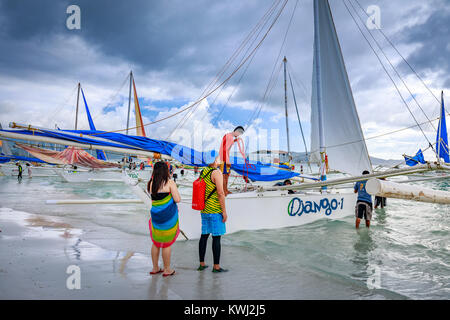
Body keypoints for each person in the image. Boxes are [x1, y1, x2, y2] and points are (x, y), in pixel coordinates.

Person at [147, 161, 181, 277]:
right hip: (168, 217)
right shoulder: (170, 183)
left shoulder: (151, 184)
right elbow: (177, 199)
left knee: (156, 242)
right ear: (165, 171)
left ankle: (155, 267)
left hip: (156, 216)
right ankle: (167, 269)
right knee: (166, 243)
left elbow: (154, 201)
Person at [198, 158, 228, 273]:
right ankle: (216, 267)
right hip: (215, 210)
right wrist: (224, 211)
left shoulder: (203, 171)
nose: (221, 159)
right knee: (216, 237)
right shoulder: (216, 173)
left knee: (204, 236)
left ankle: (202, 264)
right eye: (219, 158)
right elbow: (220, 193)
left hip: (204, 209)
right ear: (215, 160)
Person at [218, 126, 246, 196]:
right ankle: (224, 191)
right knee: (224, 175)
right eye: (239, 133)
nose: (239, 135)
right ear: (237, 131)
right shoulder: (230, 137)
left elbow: (225, 147)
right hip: (223, 159)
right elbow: (225, 150)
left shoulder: (228, 135)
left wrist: (234, 141)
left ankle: (225, 190)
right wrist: (227, 161)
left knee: (226, 175)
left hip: (223, 158)